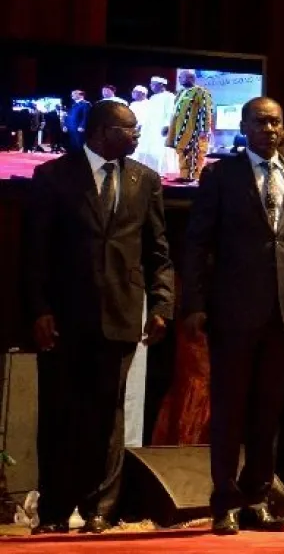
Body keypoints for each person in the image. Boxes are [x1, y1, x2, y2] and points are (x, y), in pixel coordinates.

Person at [22, 100, 173, 535]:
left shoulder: (145, 180)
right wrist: (39, 309)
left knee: (108, 418)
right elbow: (34, 253)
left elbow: (158, 252)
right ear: (105, 131)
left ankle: (100, 509)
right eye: (132, 128)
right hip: (65, 319)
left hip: (122, 314)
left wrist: (162, 306)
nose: (139, 135)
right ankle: (53, 512)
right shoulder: (52, 176)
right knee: (60, 414)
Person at [182, 97, 284, 535]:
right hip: (232, 312)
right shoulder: (221, 174)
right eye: (260, 122)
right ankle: (224, 502)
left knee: (267, 413)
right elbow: (198, 245)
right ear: (243, 126)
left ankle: (257, 499)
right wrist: (196, 305)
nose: (270, 129)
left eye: (276, 122)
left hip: (281, 315)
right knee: (229, 412)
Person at [167, 70, 214, 181]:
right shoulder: (180, 93)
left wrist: (205, 129)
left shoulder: (201, 92)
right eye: (178, 77)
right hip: (180, 130)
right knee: (182, 151)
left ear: (191, 78)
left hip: (194, 130)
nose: (179, 79)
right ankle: (185, 176)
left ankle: (195, 178)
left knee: (195, 152)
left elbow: (206, 110)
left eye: (181, 77)